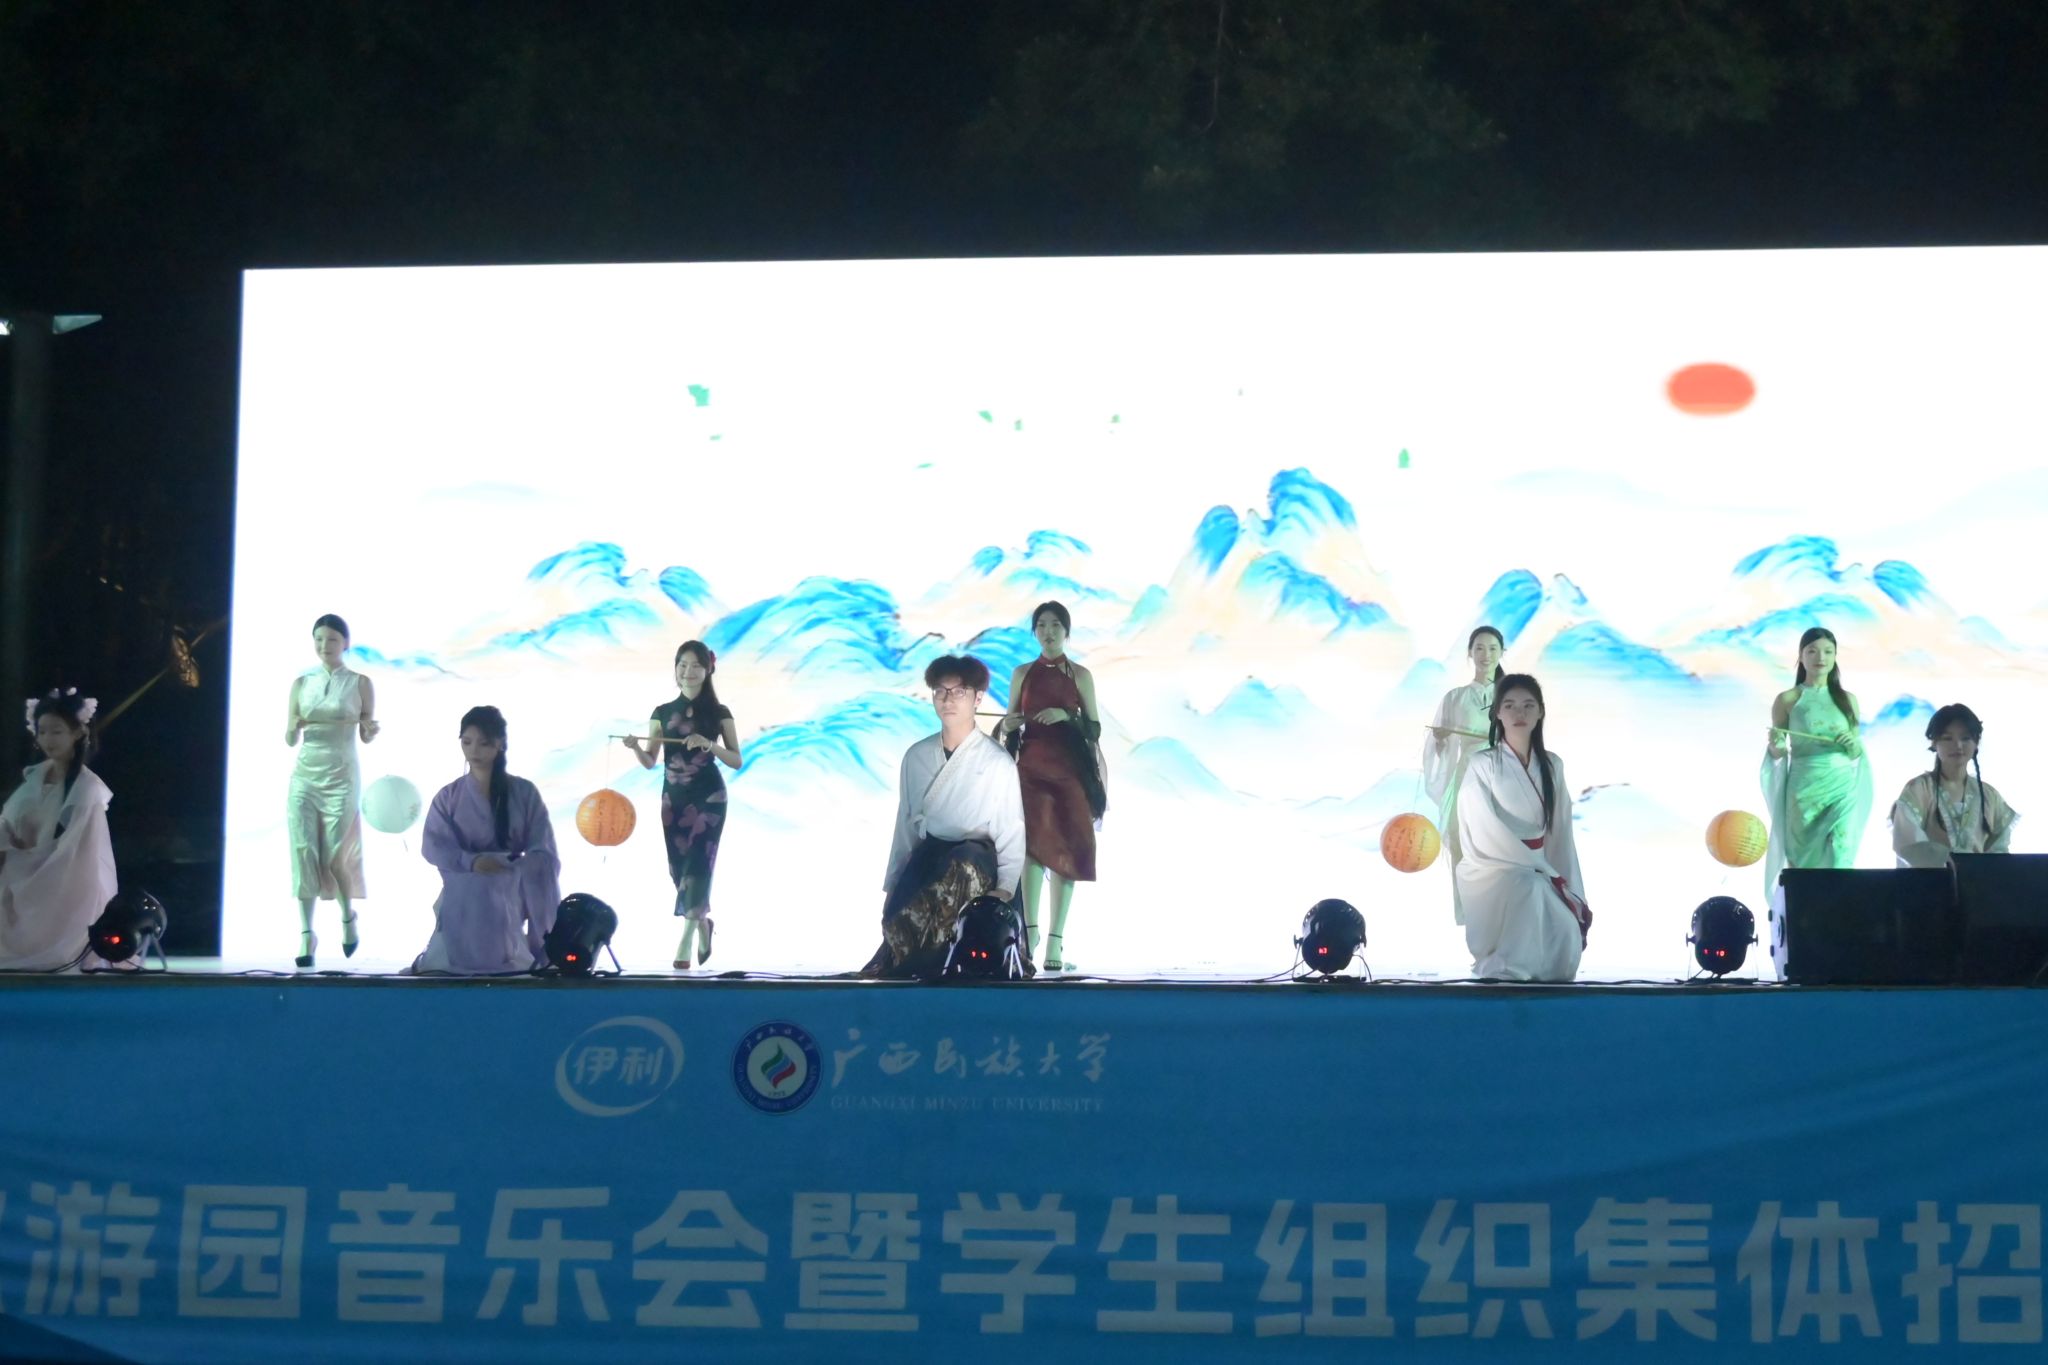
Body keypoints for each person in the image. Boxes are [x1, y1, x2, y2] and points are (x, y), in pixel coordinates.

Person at [864, 656, 1026, 979]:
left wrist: (1006, 888)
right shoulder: (917, 756)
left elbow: (1011, 829)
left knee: (962, 869)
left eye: (959, 692)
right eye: (941, 691)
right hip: (930, 854)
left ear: (977, 698)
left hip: (976, 860)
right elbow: (906, 824)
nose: (948, 699)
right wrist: (893, 882)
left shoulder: (997, 762)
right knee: (898, 921)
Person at [1454, 674, 1591, 981]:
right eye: (1510, 705)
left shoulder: (1552, 765)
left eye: (1528, 705)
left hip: (1539, 867)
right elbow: (1480, 827)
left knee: (1564, 927)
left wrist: (1558, 876)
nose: (1520, 713)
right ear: (1497, 713)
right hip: (1495, 867)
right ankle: (1509, 969)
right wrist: (1533, 866)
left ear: (1540, 712)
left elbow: (1560, 833)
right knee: (1530, 888)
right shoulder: (1482, 764)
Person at [413, 706, 560, 974]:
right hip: (464, 886)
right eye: (467, 742)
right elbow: (434, 845)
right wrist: (470, 862)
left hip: (511, 886)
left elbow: (543, 848)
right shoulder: (449, 796)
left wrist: (515, 867)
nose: (474, 751)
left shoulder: (524, 792)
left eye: (483, 743)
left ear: (500, 744)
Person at [996, 601, 1103, 972]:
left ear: (1066, 631)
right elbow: (1010, 720)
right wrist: (1009, 724)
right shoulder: (1022, 673)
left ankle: (1056, 939)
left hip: (1070, 772)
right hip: (1031, 769)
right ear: (1034, 632)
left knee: (1067, 853)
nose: (1048, 631)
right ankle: (1031, 933)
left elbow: (1094, 728)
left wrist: (1066, 716)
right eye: (1041, 625)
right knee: (1032, 849)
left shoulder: (1080, 675)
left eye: (1055, 624)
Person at [626, 640, 741, 970]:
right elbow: (651, 761)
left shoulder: (719, 713)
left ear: (708, 670)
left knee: (699, 866)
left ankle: (686, 939)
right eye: (682, 665)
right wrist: (636, 747)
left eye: (695, 666)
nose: (688, 671)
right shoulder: (661, 712)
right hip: (673, 799)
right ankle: (703, 922)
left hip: (709, 797)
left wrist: (709, 745)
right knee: (679, 870)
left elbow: (736, 759)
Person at [285, 613, 378, 967]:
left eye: (333, 640)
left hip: (342, 775)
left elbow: (366, 734)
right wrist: (293, 727)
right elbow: (290, 738)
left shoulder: (360, 683)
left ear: (346, 643)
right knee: (303, 849)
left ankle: (347, 916)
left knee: (337, 856)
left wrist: (370, 729)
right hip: (305, 776)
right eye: (319, 639)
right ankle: (306, 933)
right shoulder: (301, 683)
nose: (325, 646)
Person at [0, 690, 117, 971]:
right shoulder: (35, 776)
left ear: (77, 733)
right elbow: (9, 821)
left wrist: (24, 861)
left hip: (64, 876)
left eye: (56, 731)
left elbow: (77, 849)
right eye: (42, 732)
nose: (47, 739)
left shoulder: (86, 787)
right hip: (25, 866)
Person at [1761, 627, 1872, 897]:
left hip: (1841, 785)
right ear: (1801, 656)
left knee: (1841, 849)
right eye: (1812, 651)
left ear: (1835, 656)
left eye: (1828, 651)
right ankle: (1807, 912)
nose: (1820, 657)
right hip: (1804, 786)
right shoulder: (1788, 700)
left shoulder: (1848, 700)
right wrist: (1775, 746)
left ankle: (1842, 909)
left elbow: (1856, 751)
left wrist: (1853, 746)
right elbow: (1778, 750)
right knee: (1803, 863)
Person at [1422, 625, 1505, 924]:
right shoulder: (1455, 698)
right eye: (1479, 648)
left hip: (1501, 779)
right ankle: (1470, 918)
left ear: (1502, 652)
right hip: (1467, 778)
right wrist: (1441, 739)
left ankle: (1502, 918)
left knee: (1499, 847)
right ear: (1470, 653)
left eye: (1492, 648)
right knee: (1462, 845)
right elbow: (1440, 748)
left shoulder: (1511, 696)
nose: (1486, 655)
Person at [1891, 703, 2018, 867]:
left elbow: (1999, 849)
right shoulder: (1920, 789)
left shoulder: (1989, 795)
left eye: (1965, 738)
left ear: (1976, 743)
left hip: (1978, 882)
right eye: (1947, 738)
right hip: (1929, 880)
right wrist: (1945, 862)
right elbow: (1908, 842)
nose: (1958, 745)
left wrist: (1983, 872)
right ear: (1934, 743)